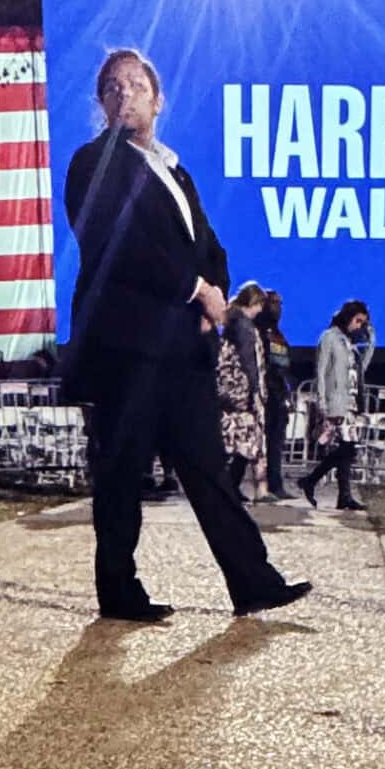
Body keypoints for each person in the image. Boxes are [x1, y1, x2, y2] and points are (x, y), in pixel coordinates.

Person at [62, 47, 310, 624]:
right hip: (128, 348)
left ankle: (254, 582)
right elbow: (115, 245)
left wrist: (214, 298)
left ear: (157, 97)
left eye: (135, 85)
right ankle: (118, 593)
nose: (124, 95)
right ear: (102, 103)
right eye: (112, 88)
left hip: (181, 349)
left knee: (207, 468)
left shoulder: (175, 170)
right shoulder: (91, 163)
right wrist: (194, 288)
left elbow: (211, 249)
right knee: (122, 472)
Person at [300, 299, 374, 510]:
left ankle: (338, 494)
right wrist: (322, 401)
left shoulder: (350, 343)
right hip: (335, 402)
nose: (359, 326)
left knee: (347, 450)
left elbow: (361, 369)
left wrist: (370, 341)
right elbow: (321, 372)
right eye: (358, 321)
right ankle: (318, 484)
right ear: (348, 317)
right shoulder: (329, 338)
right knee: (347, 448)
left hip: (351, 402)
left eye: (363, 322)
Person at [217, 281, 268, 498]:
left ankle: (231, 487)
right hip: (242, 393)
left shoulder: (232, 322)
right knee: (247, 442)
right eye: (259, 305)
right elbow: (249, 361)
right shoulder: (244, 326)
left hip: (233, 393)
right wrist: (255, 389)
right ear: (254, 302)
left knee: (241, 443)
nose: (261, 311)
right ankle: (229, 487)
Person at [258, 288, 293, 500]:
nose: (278, 308)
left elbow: (284, 365)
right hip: (265, 395)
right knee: (253, 445)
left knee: (275, 444)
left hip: (278, 395)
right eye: (274, 303)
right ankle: (232, 482)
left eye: (280, 303)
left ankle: (275, 484)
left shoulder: (277, 334)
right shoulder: (259, 333)